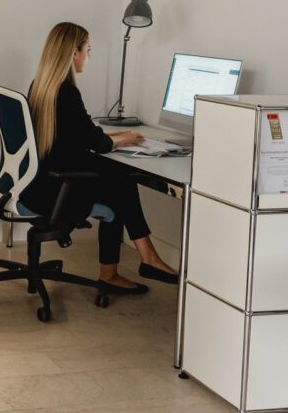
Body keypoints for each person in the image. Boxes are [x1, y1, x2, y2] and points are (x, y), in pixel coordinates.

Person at [21, 22, 179, 293]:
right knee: (121, 180)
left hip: (40, 181)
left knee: (118, 178)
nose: (88, 56)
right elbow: (96, 143)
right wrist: (124, 138)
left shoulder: (40, 86)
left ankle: (142, 259)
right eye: (88, 50)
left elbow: (82, 136)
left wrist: (117, 139)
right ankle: (136, 263)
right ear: (73, 53)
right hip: (57, 188)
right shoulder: (67, 92)